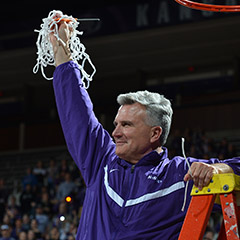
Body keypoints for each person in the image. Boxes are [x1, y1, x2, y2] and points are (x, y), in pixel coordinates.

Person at [50, 21, 240, 239]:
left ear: (155, 134)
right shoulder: (100, 160)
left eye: (126, 125)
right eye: (116, 125)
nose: (116, 133)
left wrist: (220, 169)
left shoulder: (182, 175)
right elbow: (76, 112)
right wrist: (61, 50)